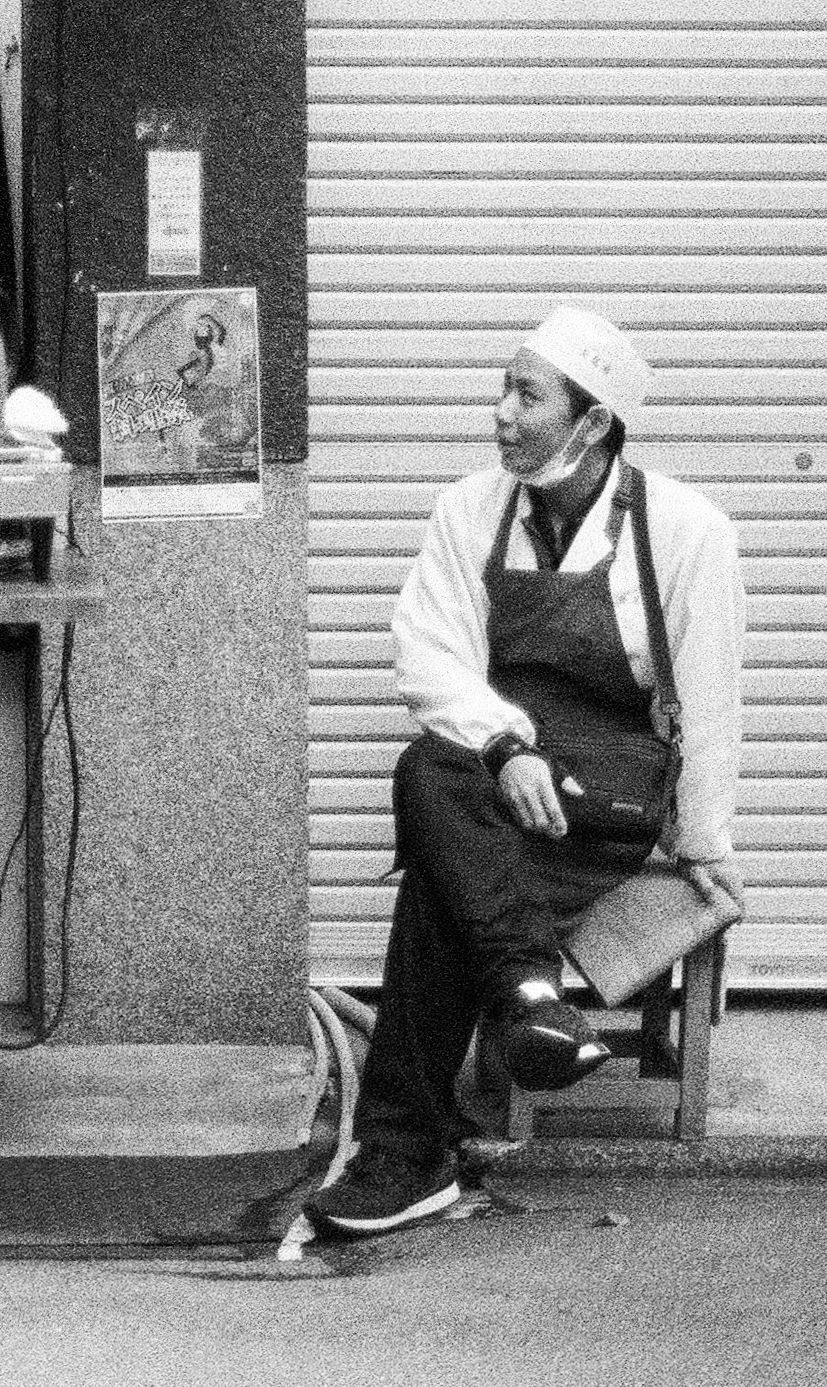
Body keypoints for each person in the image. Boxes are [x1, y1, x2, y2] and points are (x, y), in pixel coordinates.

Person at [307, 307, 746, 1238]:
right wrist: (508, 747)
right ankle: (528, 998)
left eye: (526, 395)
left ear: (590, 423)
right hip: (497, 794)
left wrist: (702, 841)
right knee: (434, 772)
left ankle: (406, 1152)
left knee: (438, 843)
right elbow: (426, 657)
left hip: (605, 807)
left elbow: (708, 694)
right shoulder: (470, 509)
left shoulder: (684, 530)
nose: (500, 412)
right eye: (503, 387)